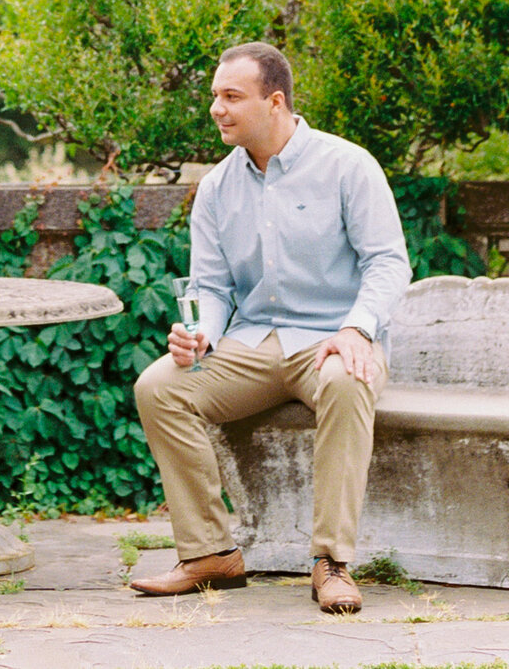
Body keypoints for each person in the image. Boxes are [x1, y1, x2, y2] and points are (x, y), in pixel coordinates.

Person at [129, 43, 409, 615]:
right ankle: (210, 553)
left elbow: (388, 262)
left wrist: (358, 329)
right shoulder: (216, 188)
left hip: (334, 340)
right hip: (252, 345)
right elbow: (211, 285)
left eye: (232, 96)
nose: (217, 109)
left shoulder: (347, 165)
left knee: (347, 382)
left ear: (274, 101)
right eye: (214, 96)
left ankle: (331, 562)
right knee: (159, 387)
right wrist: (201, 332)